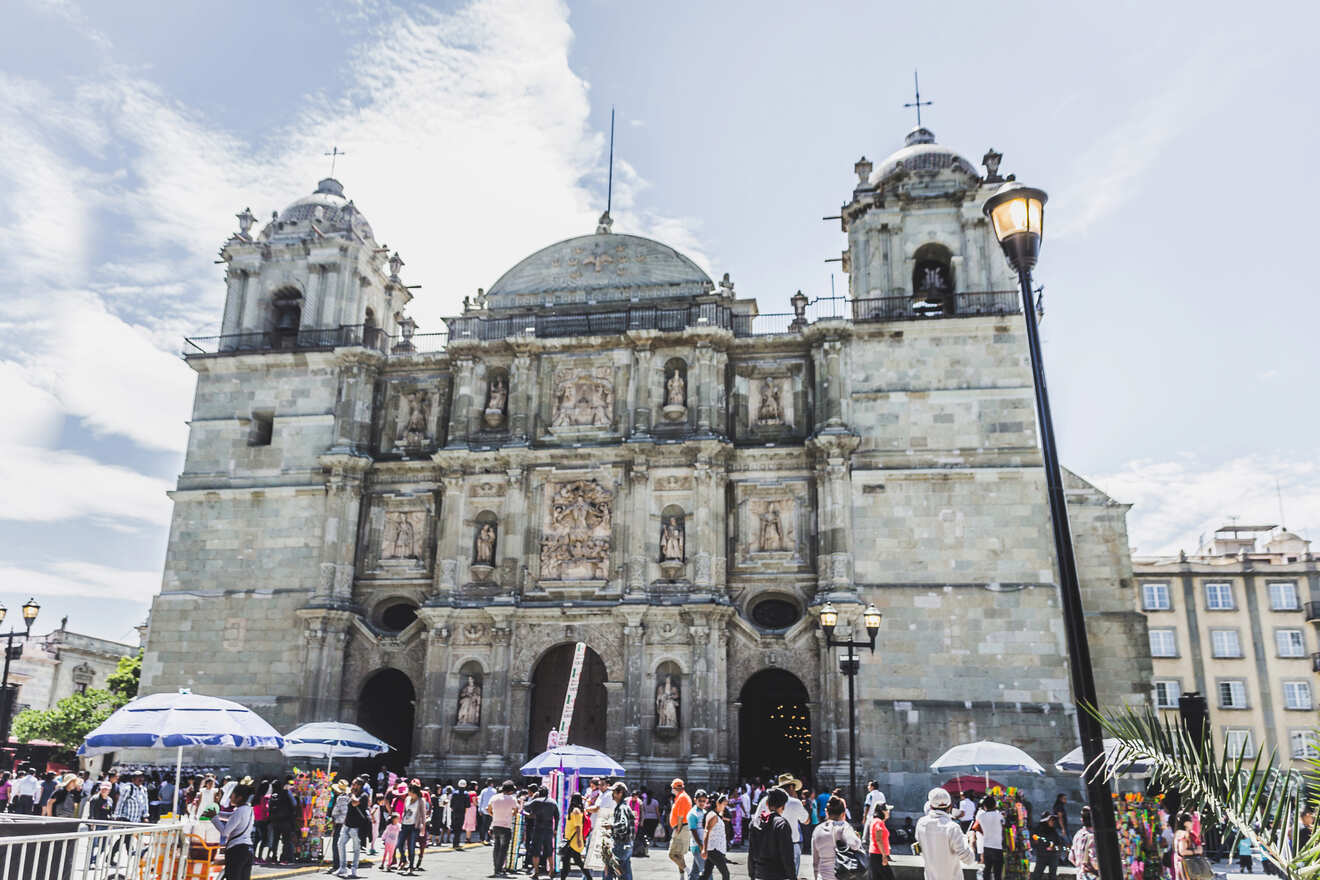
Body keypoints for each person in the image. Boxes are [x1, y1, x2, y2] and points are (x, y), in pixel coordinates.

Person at [915, 787, 976, 880]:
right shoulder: (952, 828)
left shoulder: (921, 823)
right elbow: (969, 859)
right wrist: (971, 840)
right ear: (950, 806)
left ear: (930, 806)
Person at [756, 774, 810, 878]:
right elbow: (806, 821)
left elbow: (756, 822)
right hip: (792, 844)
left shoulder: (765, 801)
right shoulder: (795, 802)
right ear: (791, 787)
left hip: (768, 845)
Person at [210, 783, 256, 880]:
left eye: (232, 795)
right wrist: (216, 811)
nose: (230, 797)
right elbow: (230, 817)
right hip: (248, 849)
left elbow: (224, 832)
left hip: (237, 850)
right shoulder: (249, 809)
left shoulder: (239, 811)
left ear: (239, 797)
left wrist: (213, 818)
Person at [748, 788, 796, 880]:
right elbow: (787, 855)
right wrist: (792, 876)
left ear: (767, 804)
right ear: (783, 806)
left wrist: (752, 874)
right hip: (778, 874)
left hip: (760, 873)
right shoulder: (782, 824)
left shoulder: (755, 823)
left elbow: (751, 852)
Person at [811, 795, 862, 880]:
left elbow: (815, 861)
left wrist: (816, 877)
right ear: (843, 814)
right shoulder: (844, 827)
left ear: (826, 812)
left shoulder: (817, 829)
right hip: (841, 876)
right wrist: (858, 838)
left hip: (822, 877)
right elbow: (855, 844)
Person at [487, 780, 521, 877]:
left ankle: (496, 868)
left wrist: (495, 815)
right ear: (510, 790)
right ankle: (499, 869)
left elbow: (488, 809)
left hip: (495, 825)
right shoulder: (512, 799)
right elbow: (516, 810)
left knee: (496, 848)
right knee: (503, 849)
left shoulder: (494, 797)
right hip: (506, 826)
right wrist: (510, 815)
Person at [527, 785, 560, 879]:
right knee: (549, 850)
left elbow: (526, 807)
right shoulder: (553, 802)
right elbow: (557, 816)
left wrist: (533, 798)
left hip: (538, 829)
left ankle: (536, 872)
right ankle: (551, 871)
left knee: (536, 851)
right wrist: (556, 829)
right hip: (549, 829)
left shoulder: (536, 801)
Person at [604, 782, 636, 880]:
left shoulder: (622, 808)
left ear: (620, 793)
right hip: (626, 845)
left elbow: (623, 826)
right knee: (625, 873)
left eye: (613, 792)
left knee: (610, 870)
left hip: (621, 845)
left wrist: (611, 826)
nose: (612, 795)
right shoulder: (623, 807)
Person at [700, 794, 731, 880]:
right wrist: (704, 849)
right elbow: (706, 831)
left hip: (715, 849)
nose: (725, 807)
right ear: (718, 803)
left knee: (706, 874)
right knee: (726, 874)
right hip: (714, 850)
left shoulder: (716, 815)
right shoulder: (713, 816)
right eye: (724, 804)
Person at [561, 793, 592, 880]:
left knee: (573, 861)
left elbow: (578, 826)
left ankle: (589, 878)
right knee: (570, 861)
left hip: (574, 841)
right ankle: (589, 878)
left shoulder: (576, 810)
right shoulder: (575, 810)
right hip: (571, 840)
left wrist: (579, 839)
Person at [974, 795, 1004, 880]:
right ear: (995, 805)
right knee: (998, 873)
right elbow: (1004, 825)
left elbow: (976, 827)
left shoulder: (981, 817)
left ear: (985, 806)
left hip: (986, 847)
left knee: (987, 871)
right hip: (998, 847)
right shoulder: (1000, 816)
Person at [1028, 813, 1066, 880]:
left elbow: (1059, 843)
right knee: (1037, 874)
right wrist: (1042, 846)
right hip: (1042, 855)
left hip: (1053, 856)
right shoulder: (1037, 830)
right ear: (1045, 821)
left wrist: (1055, 848)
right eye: (1051, 820)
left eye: (1053, 820)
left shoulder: (1054, 830)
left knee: (1053, 875)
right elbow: (1034, 843)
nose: (1053, 822)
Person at [668, 780, 694, 878]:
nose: (672, 790)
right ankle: (682, 877)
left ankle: (689, 871)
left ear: (677, 788)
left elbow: (680, 815)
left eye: (673, 788)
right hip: (682, 828)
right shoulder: (681, 797)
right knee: (679, 855)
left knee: (672, 854)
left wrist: (678, 828)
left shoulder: (682, 797)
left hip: (681, 828)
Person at [1069, 807, 1098, 880]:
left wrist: (1080, 867)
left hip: (1080, 876)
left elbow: (1071, 857)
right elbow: (1094, 862)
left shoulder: (1077, 835)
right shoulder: (1093, 837)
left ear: (1082, 820)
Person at [866, 803, 893, 880]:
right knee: (889, 877)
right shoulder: (879, 822)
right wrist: (884, 855)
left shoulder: (876, 821)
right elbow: (879, 839)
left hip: (875, 854)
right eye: (887, 810)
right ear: (882, 811)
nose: (889, 812)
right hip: (878, 854)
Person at [1173, 812, 1202, 880]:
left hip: (1187, 864)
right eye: (1191, 821)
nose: (1193, 823)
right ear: (1185, 823)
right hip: (1187, 865)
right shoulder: (1183, 834)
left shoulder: (1184, 833)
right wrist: (1195, 851)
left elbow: (1200, 847)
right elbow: (1182, 851)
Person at [687, 790, 709, 880]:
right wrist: (700, 845)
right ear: (695, 800)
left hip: (703, 845)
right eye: (700, 800)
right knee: (706, 871)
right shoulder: (692, 814)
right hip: (697, 846)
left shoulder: (704, 812)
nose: (702, 803)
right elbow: (693, 831)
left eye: (704, 801)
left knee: (694, 873)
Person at [453, 779, 473, 848]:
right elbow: (467, 806)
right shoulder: (466, 794)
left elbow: (451, 805)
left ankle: (454, 842)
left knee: (455, 827)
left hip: (455, 812)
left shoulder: (455, 793)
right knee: (459, 828)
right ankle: (456, 842)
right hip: (462, 813)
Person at [479, 780, 498, 845]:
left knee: (483, 825)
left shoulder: (483, 791)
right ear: (492, 784)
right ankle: (488, 839)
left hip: (484, 810)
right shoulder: (495, 791)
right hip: (492, 810)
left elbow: (480, 800)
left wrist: (479, 809)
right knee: (490, 825)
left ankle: (482, 838)